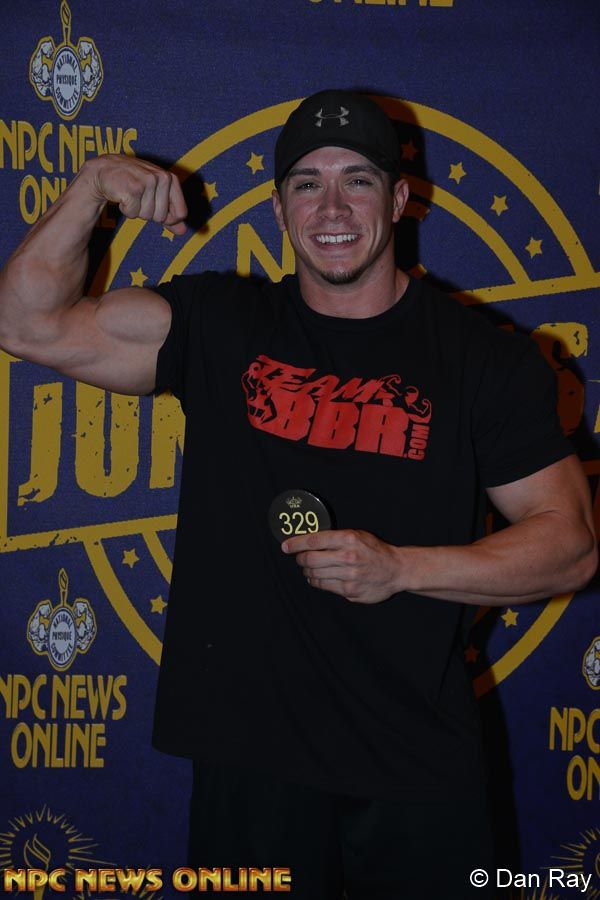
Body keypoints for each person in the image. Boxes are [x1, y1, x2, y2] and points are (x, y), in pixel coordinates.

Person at [0, 90, 596, 899]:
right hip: (252, 769)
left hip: (416, 764)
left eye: (358, 180)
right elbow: (27, 324)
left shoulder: (482, 360)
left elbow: (570, 544)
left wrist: (402, 569)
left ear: (399, 199)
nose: (332, 207)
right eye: (307, 184)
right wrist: (90, 187)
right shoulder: (220, 323)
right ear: (280, 210)